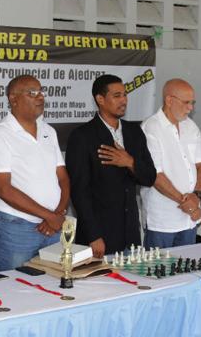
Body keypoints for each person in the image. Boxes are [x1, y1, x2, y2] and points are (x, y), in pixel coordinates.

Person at [0, 75, 70, 271]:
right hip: (16, 228)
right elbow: (4, 189)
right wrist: (49, 216)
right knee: (14, 291)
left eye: (41, 92)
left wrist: (57, 214)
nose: (40, 97)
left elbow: (63, 178)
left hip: (53, 227)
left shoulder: (49, 131)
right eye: (32, 93)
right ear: (13, 99)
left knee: (52, 289)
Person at [65, 74, 156, 257]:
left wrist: (129, 162)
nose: (123, 100)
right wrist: (93, 235)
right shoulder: (83, 136)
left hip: (130, 234)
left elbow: (150, 177)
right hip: (100, 236)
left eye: (124, 95)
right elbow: (79, 191)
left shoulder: (134, 132)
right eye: (117, 96)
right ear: (100, 99)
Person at [140, 79, 201, 247]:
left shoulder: (191, 126)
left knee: (186, 269)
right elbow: (155, 174)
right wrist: (186, 202)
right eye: (186, 102)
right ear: (169, 100)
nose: (190, 108)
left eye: (192, 103)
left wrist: (196, 195)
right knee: (158, 271)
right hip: (162, 219)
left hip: (189, 219)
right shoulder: (150, 128)